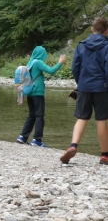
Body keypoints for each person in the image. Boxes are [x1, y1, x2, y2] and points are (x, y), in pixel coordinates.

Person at [60, 17, 108, 164]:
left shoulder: (81, 46)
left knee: (82, 117)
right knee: (101, 120)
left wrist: (80, 83)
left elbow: (75, 67)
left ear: (92, 30)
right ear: (107, 32)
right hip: (102, 87)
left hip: (84, 86)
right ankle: (105, 155)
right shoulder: (107, 46)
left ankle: (73, 146)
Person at [15, 46, 66, 147]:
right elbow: (51, 71)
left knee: (32, 116)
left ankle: (23, 137)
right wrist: (60, 62)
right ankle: (37, 139)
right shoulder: (38, 62)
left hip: (29, 92)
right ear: (42, 54)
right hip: (37, 93)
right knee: (39, 116)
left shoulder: (30, 62)